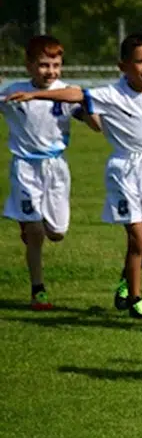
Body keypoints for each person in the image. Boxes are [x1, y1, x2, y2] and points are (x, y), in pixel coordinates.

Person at [8, 33, 142, 320]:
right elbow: (76, 94)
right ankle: (137, 301)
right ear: (123, 66)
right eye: (141, 61)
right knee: (137, 238)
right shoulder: (111, 93)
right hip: (122, 170)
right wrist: (35, 95)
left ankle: (126, 283)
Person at [0, 35, 90, 310]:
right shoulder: (14, 92)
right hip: (25, 168)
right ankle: (38, 290)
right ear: (28, 66)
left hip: (56, 168)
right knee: (36, 232)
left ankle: (29, 225)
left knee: (57, 233)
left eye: (55, 65)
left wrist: (91, 110)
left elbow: (94, 123)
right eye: (43, 65)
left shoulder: (66, 93)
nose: (50, 71)